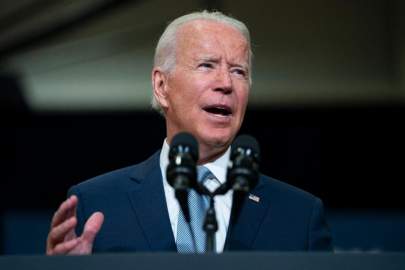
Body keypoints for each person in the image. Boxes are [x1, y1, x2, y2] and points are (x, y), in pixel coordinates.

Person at [46, 10, 332, 255]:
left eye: (239, 72)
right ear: (162, 86)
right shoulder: (97, 204)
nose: (225, 83)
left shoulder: (299, 216)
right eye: (207, 65)